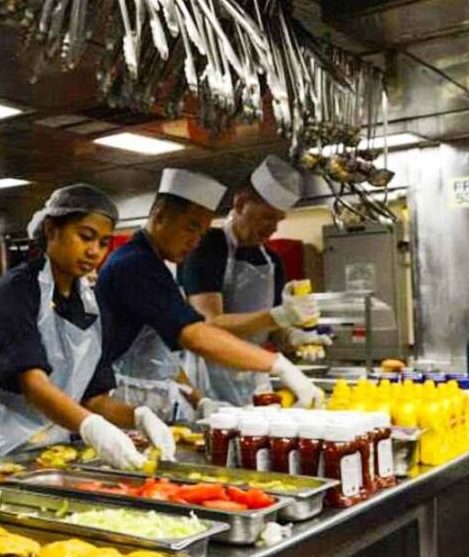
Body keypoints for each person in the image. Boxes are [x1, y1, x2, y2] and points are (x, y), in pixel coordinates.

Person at [0, 184, 173, 467]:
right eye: (85, 236)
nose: (94, 251)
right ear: (52, 229)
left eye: (103, 243)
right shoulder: (16, 290)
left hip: (44, 451)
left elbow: (93, 397)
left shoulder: (89, 305)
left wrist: (138, 417)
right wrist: (91, 427)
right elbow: (33, 384)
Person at [96, 168, 325, 417]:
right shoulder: (134, 264)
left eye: (201, 233)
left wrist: (199, 401)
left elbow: (164, 355)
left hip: (146, 402)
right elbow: (193, 333)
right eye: (191, 229)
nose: (195, 242)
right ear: (160, 216)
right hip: (120, 402)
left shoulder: (155, 263)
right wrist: (279, 366)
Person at [179, 155, 331, 408]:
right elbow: (208, 323)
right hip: (208, 381)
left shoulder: (273, 260)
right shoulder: (206, 247)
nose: (273, 228)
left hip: (256, 378)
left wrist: (294, 337)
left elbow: (273, 333)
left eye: (278, 220)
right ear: (240, 204)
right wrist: (278, 316)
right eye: (266, 217)